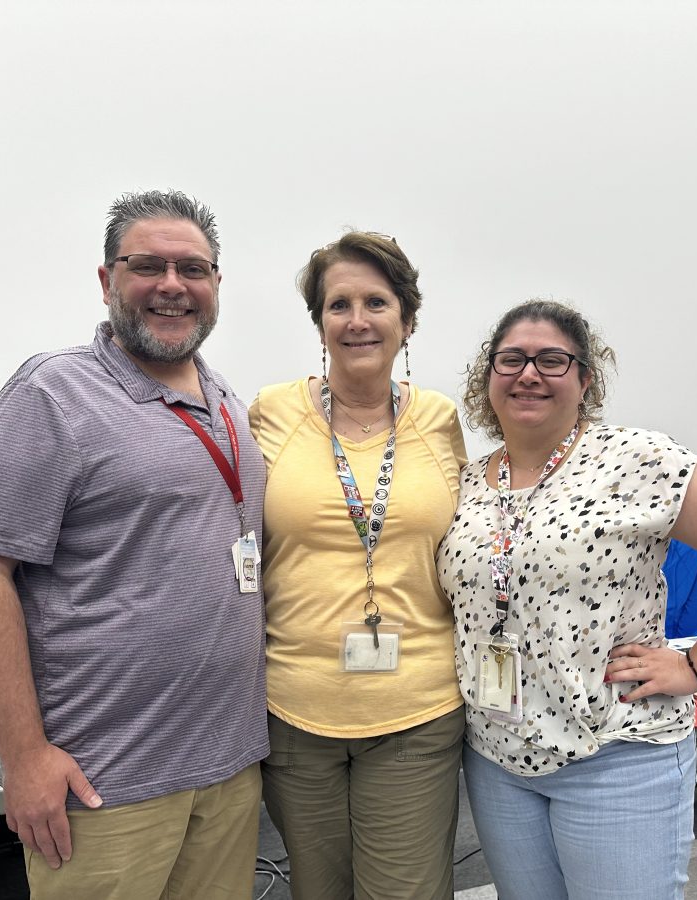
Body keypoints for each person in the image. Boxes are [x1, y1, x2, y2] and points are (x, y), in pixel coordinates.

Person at [0, 190, 267, 899]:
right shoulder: (53, 392)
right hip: (104, 782)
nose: (172, 285)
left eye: (193, 268)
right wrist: (24, 757)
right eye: (147, 265)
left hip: (229, 768)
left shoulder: (226, 401)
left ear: (216, 285)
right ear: (106, 280)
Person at [436, 299, 697, 900]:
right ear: (489, 378)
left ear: (585, 379)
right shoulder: (466, 480)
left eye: (552, 360)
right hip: (495, 755)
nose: (528, 374)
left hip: (615, 753)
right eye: (511, 360)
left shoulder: (638, 461)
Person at [249, 232, 467, 899]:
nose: (357, 320)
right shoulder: (271, 412)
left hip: (416, 709)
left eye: (377, 301)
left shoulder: (438, 419)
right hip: (294, 711)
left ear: (407, 320)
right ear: (320, 322)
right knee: (319, 891)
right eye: (338, 304)